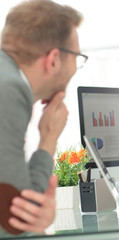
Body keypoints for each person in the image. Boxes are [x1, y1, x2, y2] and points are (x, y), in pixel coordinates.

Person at [0, 0, 84, 235]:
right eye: (77, 57)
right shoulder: (10, 88)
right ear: (54, 59)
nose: (76, 67)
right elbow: (15, 219)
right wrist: (49, 138)